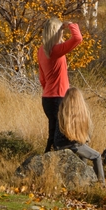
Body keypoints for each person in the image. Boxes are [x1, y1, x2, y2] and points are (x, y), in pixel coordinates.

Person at [36, 18, 83, 151]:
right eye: (60, 31)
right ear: (57, 33)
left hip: (47, 98)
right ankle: (57, 162)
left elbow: (42, 78)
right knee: (60, 137)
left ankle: (46, 160)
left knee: (53, 134)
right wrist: (71, 25)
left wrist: (47, 90)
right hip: (58, 98)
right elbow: (78, 38)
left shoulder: (42, 50)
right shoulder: (55, 51)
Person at [57, 87, 105, 180]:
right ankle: (102, 184)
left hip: (59, 143)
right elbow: (86, 134)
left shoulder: (61, 110)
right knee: (97, 156)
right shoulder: (82, 113)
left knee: (84, 146)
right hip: (72, 144)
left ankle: (82, 175)